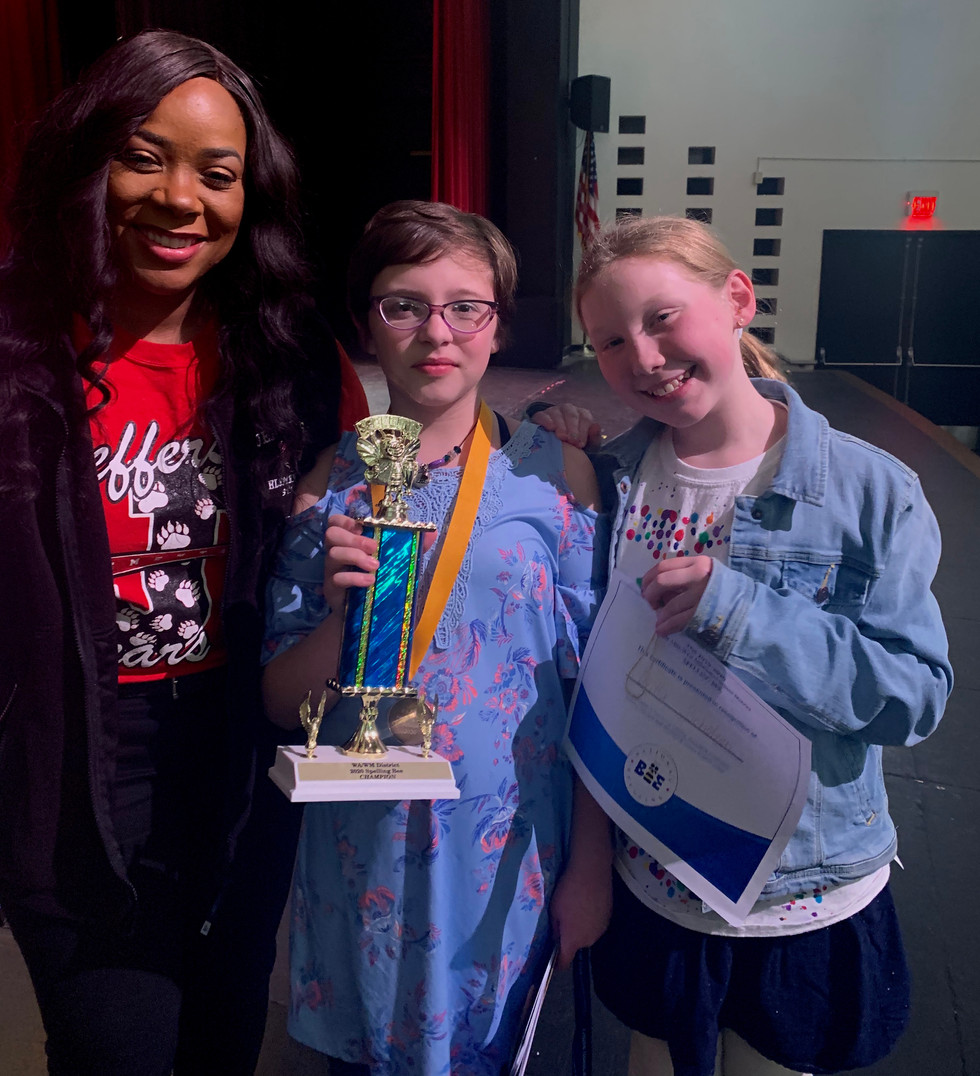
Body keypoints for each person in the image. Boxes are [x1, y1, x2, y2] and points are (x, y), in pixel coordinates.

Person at [0, 29, 367, 1076]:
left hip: (237, 747)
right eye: (143, 157)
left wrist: (548, 441)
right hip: (65, 759)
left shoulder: (289, 356)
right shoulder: (15, 348)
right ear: (84, 162)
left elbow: (396, 483)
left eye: (217, 173)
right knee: (116, 1043)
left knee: (223, 1032)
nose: (180, 200)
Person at [554, 215, 952, 1076]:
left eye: (663, 318)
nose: (644, 357)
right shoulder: (612, 480)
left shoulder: (868, 489)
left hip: (797, 899)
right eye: (611, 341)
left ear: (738, 298)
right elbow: (590, 685)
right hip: (652, 879)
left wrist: (740, 613)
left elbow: (913, 696)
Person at [261, 199, 610, 1075]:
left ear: (499, 325)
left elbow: (600, 688)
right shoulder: (328, 486)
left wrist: (593, 864)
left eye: (466, 307)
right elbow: (281, 700)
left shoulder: (556, 475)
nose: (437, 332)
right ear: (365, 324)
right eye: (404, 305)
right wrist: (344, 617)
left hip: (507, 861)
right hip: (363, 853)